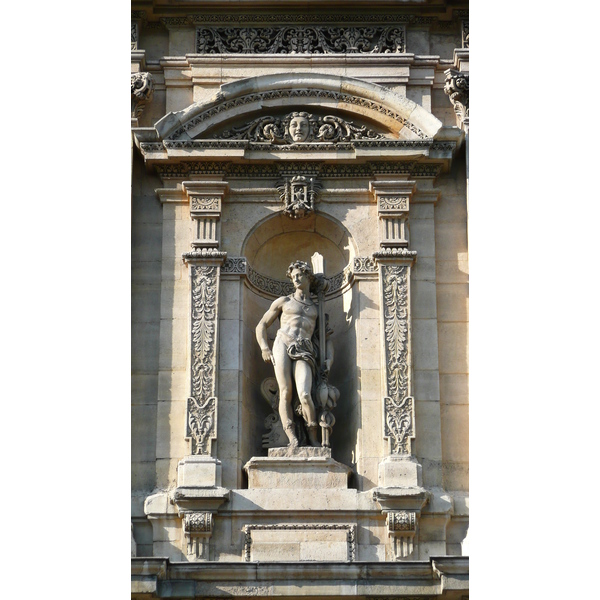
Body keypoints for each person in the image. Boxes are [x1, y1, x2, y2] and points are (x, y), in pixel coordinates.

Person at [256, 260, 321, 447]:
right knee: (285, 391)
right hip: (283, 343)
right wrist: (264, 348)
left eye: (300, 275)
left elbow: (323, 339)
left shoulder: (316, 308)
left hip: (305, 349)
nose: (296, 279)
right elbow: (261, 325)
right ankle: (291, 436)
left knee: (305, 393)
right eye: (293, 277)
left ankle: (313, 437)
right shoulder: (284, 301)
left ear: (309, 277)